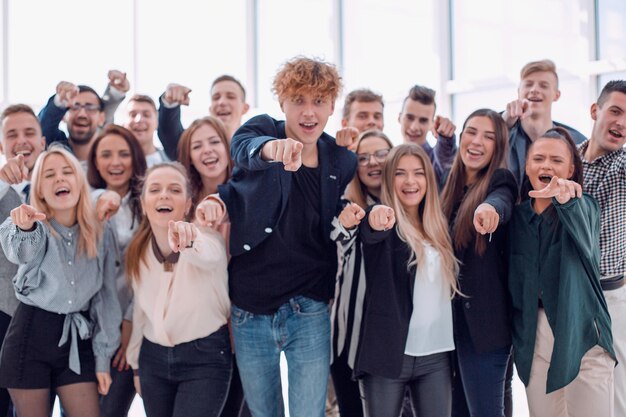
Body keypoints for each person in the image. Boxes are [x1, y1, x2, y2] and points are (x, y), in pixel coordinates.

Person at [195, 56, 356, 417]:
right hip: (251, 309)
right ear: (282, 103)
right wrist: (273, 149)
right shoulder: (261, 129)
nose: (309, 112)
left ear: (332, 106)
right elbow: (243, 149)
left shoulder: (341, 160)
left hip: (310, 308)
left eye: (318, 101)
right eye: (298, 100)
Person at [0, 145, 121, 417]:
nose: (60, 179)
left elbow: (107, 297)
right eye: (49, 175)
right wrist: (23, 226)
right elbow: (19, 250)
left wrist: (102, 360)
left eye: (67, 172)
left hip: (76, 342)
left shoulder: (100, 229)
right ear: (39, 189)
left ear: (80, 183)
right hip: (29, 340)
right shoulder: (31, 226)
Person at [508, 127, 615, 417]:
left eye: (556, 160)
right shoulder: (516, 219)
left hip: (582, 337)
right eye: (538, 158)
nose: (546, 165)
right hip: (535, 340)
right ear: (527, 166)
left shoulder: (584, 206)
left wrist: (566, 200)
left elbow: (583, 223)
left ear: (571, 168)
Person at [349, 143, 458, 417]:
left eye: (418, 173)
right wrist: (375, 218)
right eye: (400, 173)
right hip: (388, 353)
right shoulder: (385, 223)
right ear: (389, 179)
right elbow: (370, 232)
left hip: (436, 356)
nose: (411, 181)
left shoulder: (440, 227)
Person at [125, 163, 232, 417]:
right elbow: (141, 313)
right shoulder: (138, 252)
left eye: (174, 189)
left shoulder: (208, 238)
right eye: (155, 190)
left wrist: (189, 239)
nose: (164, 195)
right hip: (153, 360)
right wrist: (136, 365)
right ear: (143, 203)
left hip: (204, 359)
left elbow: (206, 255)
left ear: (187, 204)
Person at [440, 109, 517, 417]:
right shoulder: (449, 184)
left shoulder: (500, 179)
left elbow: (503, 199)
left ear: (499, 147)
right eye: (471, 132)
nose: (477, 142)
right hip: (451, 326)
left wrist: (489, 210)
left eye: (488, 137)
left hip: (485, 330)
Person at [331, 130, 394, 417]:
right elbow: (338, 239)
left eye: (381, 154)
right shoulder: (346, 206)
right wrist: (347, 225)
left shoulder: (412, 207)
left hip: (398, 338)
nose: (372, 163)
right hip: (350, 338)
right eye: (363, 158)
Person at [87, 124, 147, 417]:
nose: (115, 162)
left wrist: (130, 331)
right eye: (106, 154)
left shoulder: (149, 205)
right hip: (87, 331)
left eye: (124, 154)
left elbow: (150, 274)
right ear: (95, 161)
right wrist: (101, 198)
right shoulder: (84, 199)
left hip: (130, 328)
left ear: (135, 158)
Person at [578, 80, 626, 417]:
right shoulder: (568, 160)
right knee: (576, 389)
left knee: (619, 391)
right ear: (595, 111)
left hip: (611, 297)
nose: (622, 123)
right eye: (616, 111)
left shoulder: (621, 166)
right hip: (568, 295)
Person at [0, 104, 47, 416]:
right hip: (4, 319)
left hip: (54, 324)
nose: (22, 141)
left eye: (29, 133)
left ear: (43, 141)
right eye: (11, 134)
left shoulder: (61, 185)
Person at [503, 59, 586, 192]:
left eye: (544, 85)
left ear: (556, 95)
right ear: (519, 91)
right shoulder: (503, 134)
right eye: (528, 84)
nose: (535, 90)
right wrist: (504, 123)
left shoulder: (576, 141)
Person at [38, 71, 130, 163]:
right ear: (64, 117)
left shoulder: (112, 160)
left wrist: (115, 93)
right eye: (75, 107)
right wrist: (60, 101)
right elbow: (43, 127)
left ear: (102, 118)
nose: (82, 114)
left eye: (90, 107)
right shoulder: (55, 149)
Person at [158, 75, 250, 159]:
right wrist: (170, 102)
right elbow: (170, 134)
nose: (221, 102)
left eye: (230, 97)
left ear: (245, 108)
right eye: (216, 97)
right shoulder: (191, 144)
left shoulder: (254, 147)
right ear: (210, 109)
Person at [398, 85, 457, 185]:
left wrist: (446, 138)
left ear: (432, 124)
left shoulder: (436, 162)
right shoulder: (387, 156)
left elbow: (446, 160)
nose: (414, 127)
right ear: (399, 118)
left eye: (423, 120)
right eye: (410, 118)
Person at [123, 94, 170, 166]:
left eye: (146, 115)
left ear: (157, 121)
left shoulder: (172, 161)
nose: (139, 120)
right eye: (133, 115)